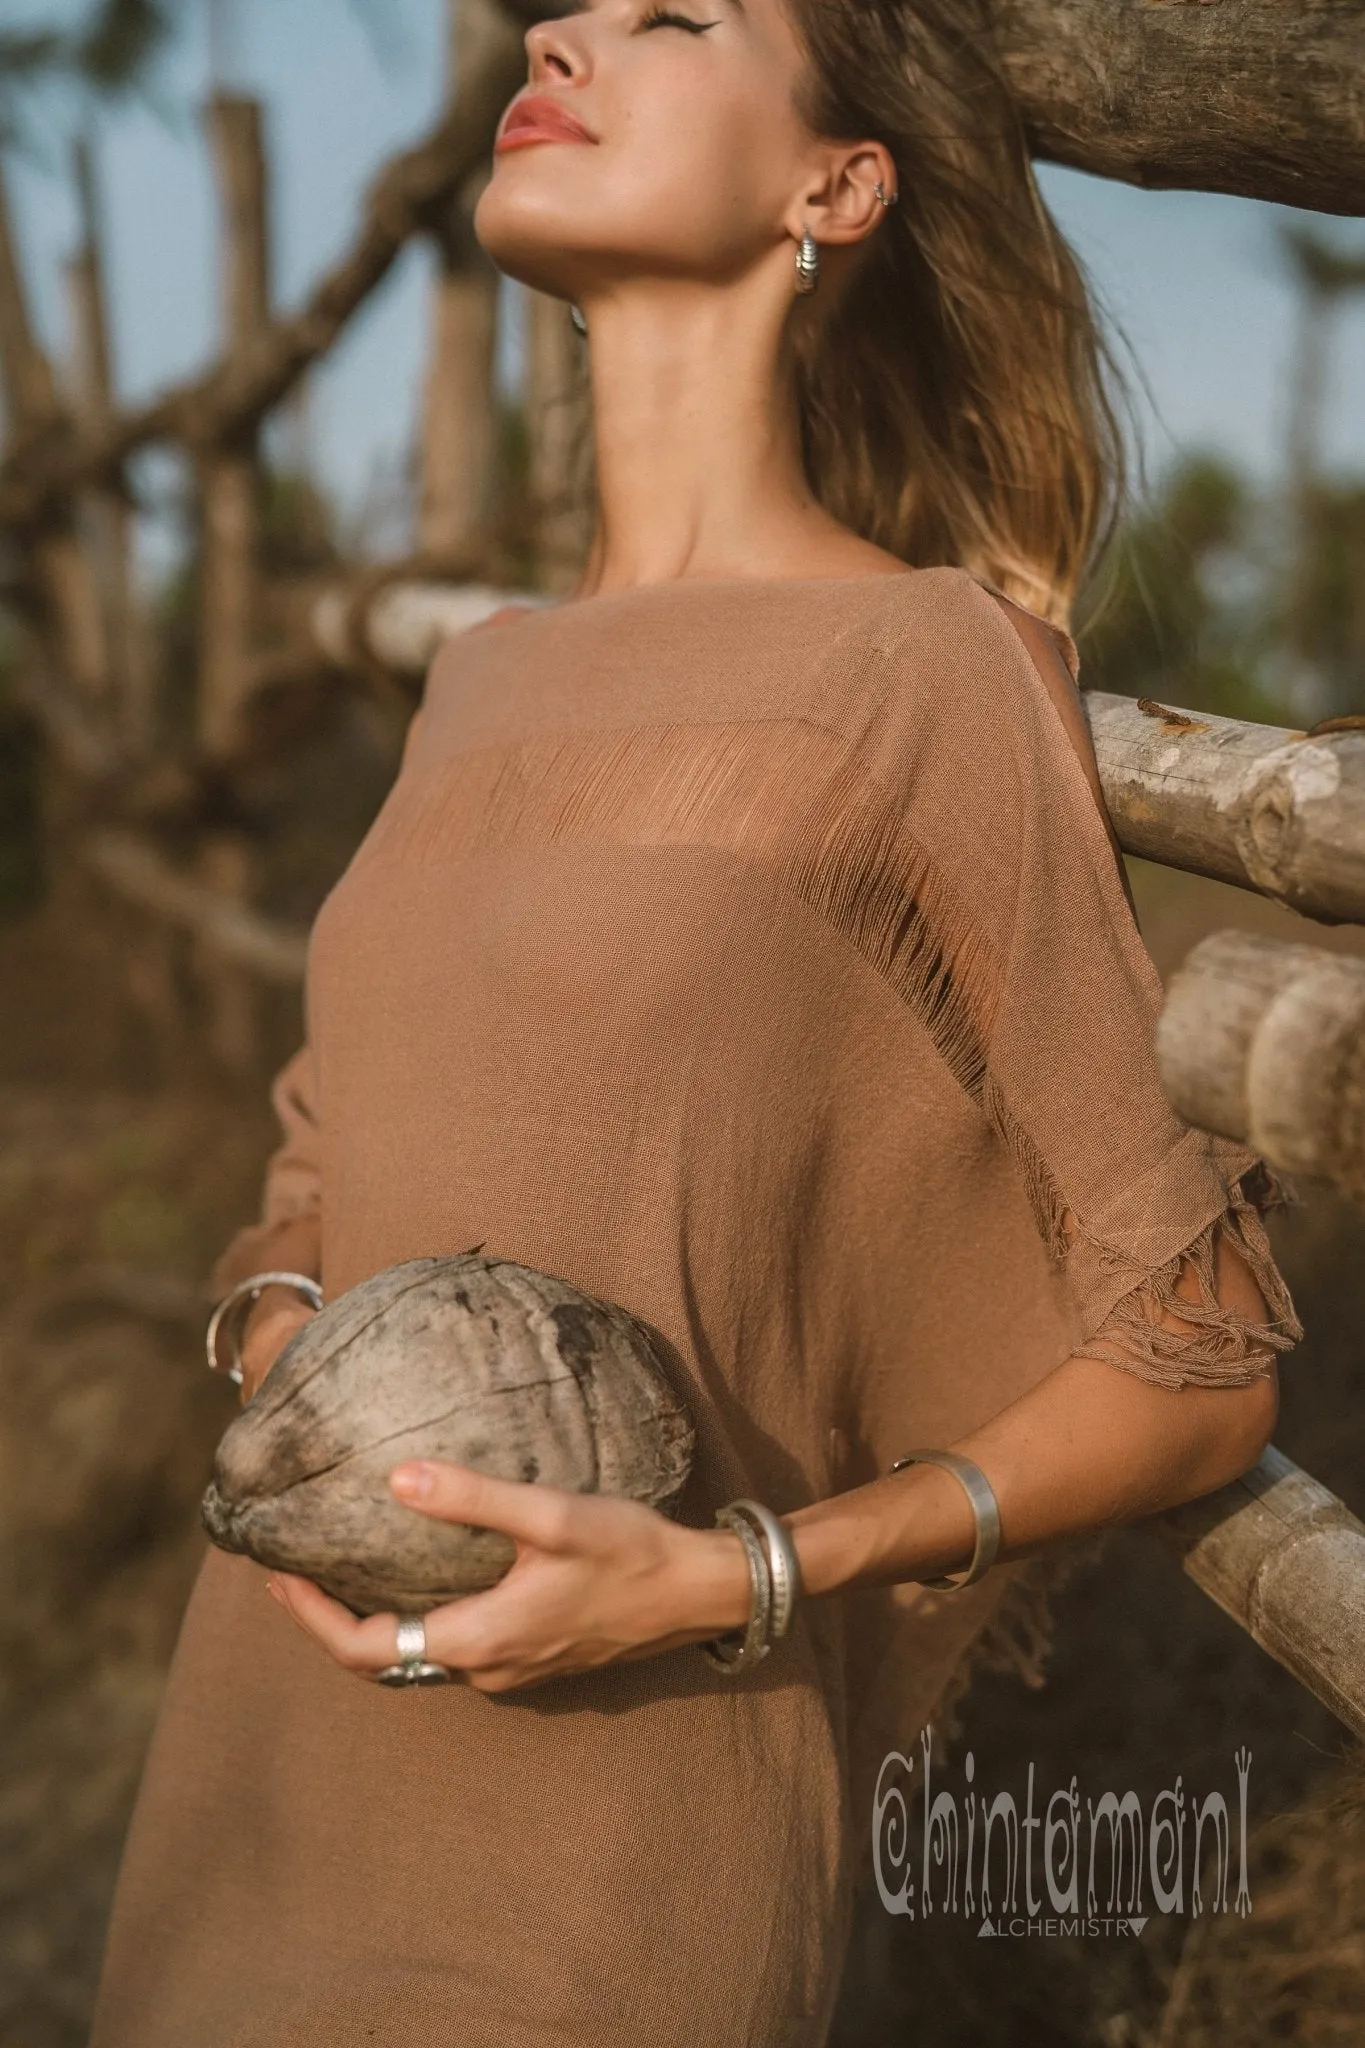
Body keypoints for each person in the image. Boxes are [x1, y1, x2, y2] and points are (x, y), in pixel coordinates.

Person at [89, 1, 1302, 2042]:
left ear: (831, 188)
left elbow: (1197, 1354)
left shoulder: (924, 669)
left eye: (672, 15)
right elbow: (313, 1171)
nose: (559, 25)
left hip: (609, 1836)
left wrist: (738, 1575)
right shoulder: (477, 672)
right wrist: (303, 1360)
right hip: (254, 1785)